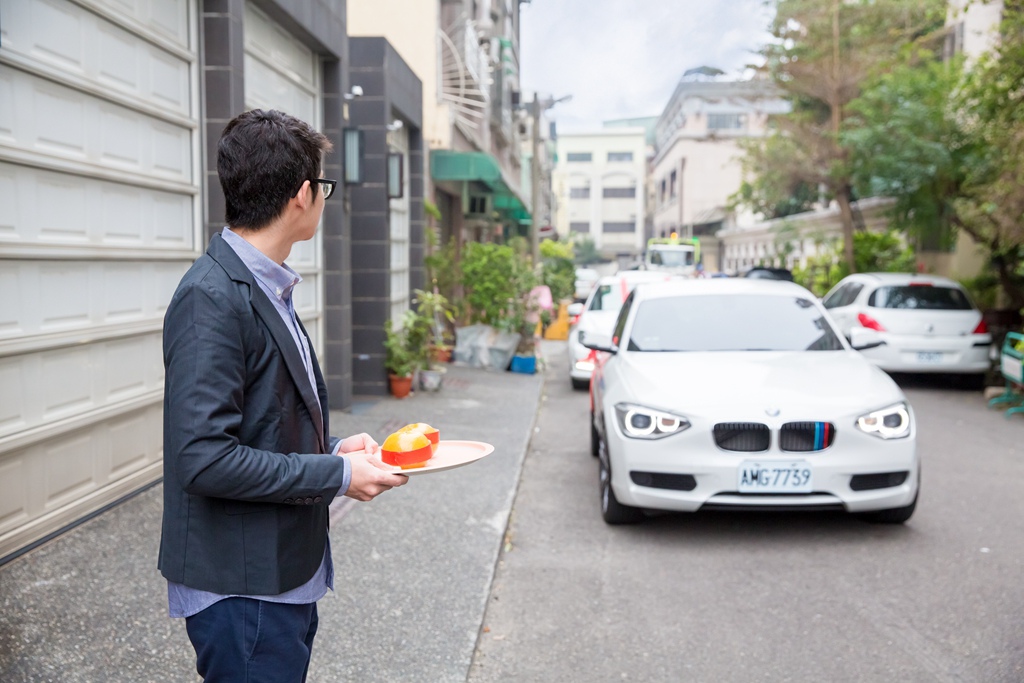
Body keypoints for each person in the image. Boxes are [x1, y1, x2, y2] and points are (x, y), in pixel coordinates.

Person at [158, 109, 408, 682]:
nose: (323, 197)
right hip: (241, 585)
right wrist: (338, 477)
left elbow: (263, 419)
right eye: (323, 185)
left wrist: (338, 450)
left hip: (277, 573)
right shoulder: (212, 297)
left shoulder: (264, 282)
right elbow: (204, 458)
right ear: (303, 195)